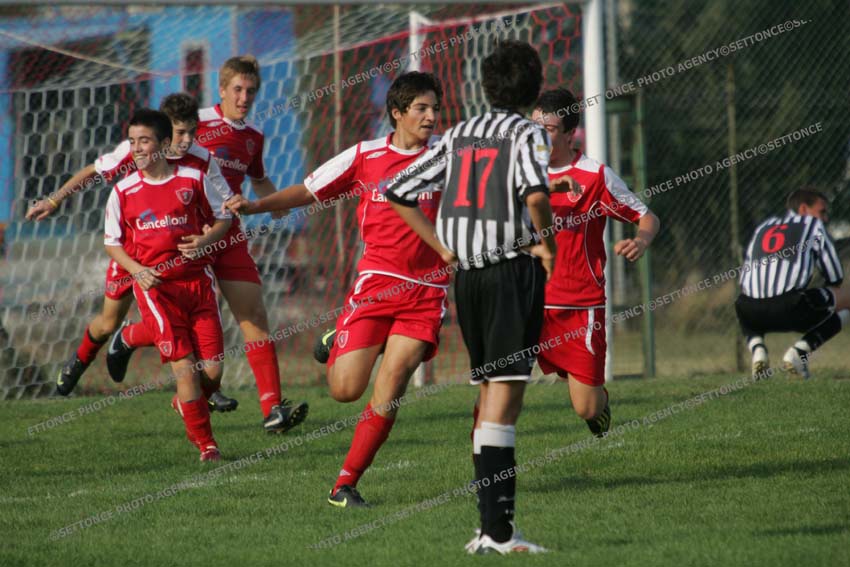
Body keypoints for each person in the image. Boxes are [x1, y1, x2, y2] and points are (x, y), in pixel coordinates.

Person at [224, 72, 447, 508]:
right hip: (376, 284)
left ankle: (344, 485)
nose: (430, 117)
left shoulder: (446, 154)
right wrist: (256, 206)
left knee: (392, 385)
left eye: (435, 108)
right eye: (421, 108)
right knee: (345, 389)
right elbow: (309, 190)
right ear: (397, 113)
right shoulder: (365, 156)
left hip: (427, 290)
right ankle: (342, 333)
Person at [387, 40, 553, 555]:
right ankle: (499, 534)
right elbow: (536, 194)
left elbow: (398, 190)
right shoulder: (526, 133)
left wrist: (442, 246)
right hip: (509, 274)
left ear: (486, 85)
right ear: (533, 88)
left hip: (469, 280)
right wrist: (546, 242)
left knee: (489, 396)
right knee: (504, 398)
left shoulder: (459, 133)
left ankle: (487, 530)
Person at [25, 93, 239, 413]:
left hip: (175, 260)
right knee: (107, 322)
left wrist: (212, 232)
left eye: (192, 132)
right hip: (130, 253)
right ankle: (82, 360)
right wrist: (54, 200)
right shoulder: (134, 150)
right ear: (164, 133)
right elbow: (93, 171)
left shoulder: (201, 160)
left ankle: (205, 387)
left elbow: (225, 206)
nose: (186, 141)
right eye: (180, 133)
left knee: (182, 317)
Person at [530, 87, 660, 436]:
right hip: (528, 300)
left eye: (549, 129)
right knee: (499, 382)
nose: (538, 136)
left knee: (586, 407)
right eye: (534, 127)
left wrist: (640, 241)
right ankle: (490, 454)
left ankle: (596, 397)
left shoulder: (594, 176)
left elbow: (647, 217)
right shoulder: (520, 171)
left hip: (578, 305)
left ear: (570, 134)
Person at [104, 109, 230, 461]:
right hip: (156, 289)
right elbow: (112, 243)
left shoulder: (193, 179)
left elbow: (223, 217)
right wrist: (137, 270)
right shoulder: (123, 191)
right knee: (185, 369)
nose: (137, 148)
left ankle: (184, 403)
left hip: (197, 284)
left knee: (213, 373)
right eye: (132, 141)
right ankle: (207, 446)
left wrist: (206, 241)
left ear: (162, 144)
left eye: (144, 141)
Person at [735, 188, 849, 378]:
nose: (825, 218)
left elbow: (743, 280)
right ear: (804, 209)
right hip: (791, 308)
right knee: (847, 298)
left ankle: (758, 350)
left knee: (746, 303)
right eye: (822, 212)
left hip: (749, 311)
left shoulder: (764, 226)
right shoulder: (813, 225)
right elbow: (835, 275)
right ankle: (799, 352)